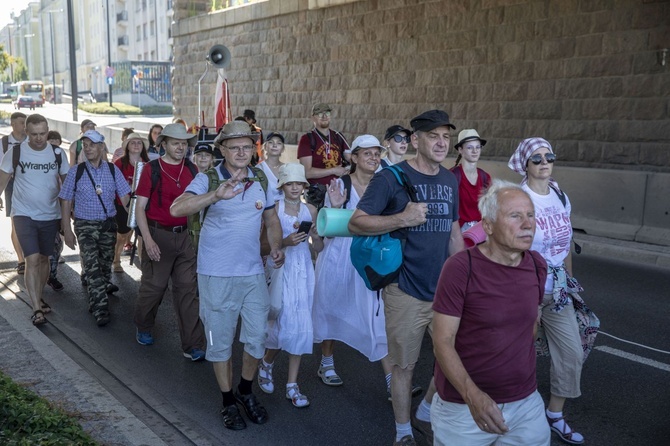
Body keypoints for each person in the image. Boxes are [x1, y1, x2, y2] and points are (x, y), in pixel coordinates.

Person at [348, 110, 464, 446]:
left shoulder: (449, 180)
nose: (441, 143)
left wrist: (467, 276)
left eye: (446, 137)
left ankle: (427, 407)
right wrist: (402, 218)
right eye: (433, 136)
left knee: (455, 355)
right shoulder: (390, 178)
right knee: (403, 366)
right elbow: (357, 222)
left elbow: (454, 231)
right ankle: (402, 431)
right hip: (405, 289)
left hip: (444, 290)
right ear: (415, 140)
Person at [170, 120, 285, 431]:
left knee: (257, 337)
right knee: (220, 343)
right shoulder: (208, 178)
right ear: (222, 149)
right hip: (216, 275)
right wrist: (215, 197)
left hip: (252, 274)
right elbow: (177, 208)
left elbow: (272, 217)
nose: (242, 152)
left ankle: (245, 391)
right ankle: (226, 401)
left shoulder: (260, 176)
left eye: (247, 146)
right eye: (235, 147)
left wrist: (276, 246)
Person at [431, 179, 551, 446]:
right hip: (464, 408)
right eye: (515, 216)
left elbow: (530, 326)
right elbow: (442, 342)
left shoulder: (536, 265)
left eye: (530, 215)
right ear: (488, 226)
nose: (528, 224)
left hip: (525, 404)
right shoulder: (461, 268)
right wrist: (473, 396)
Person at [508, 138, 586, 445]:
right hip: (525, 288)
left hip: (557, 290)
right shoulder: (518, 198)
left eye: (548, 156)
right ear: (525, 164)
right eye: (536, 158)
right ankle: (508, 409)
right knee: (515, 352)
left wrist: (568, 280)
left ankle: (554, 414)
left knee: (571, 353)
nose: (544, 162)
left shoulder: (559, 195)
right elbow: (510, 247)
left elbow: (566, 242)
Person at [312, 135, 397, 395]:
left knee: (377, 314)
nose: (373, 158)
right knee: (331, 306)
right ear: (354, 158)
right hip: (339, 255)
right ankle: (326, 362)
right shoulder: (340, 184)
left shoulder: (384, 184)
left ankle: (392, 379)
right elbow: (325, 231)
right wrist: (336, 207)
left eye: (376, 154)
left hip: (369, 257)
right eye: (367, 153)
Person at [132, 123, 206, 361]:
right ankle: (143, 325)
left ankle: (192, 344)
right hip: (158, 234)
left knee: (187, 290)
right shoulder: (152, 169)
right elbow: (140, 208)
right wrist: (148, 240)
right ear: (163, 144)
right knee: (154, 287)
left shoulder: (193, 170)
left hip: (185, 236)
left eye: (184, 143)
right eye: (176, 143)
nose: (181, 147)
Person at [258, 163, 323, 408]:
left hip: (303, 270)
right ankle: (267, 362)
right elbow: (263, 246)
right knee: (278, 321)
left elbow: (318, 249)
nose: (295, 188)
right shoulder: (273, 209)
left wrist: (316, 235)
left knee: (300, 325)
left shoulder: (312, 211)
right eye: (290, 183)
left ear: (304, 186)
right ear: (282, 186)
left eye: (299, 183)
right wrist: (284, 241)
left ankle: (292, 385)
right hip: (280, 270)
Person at [0, 114, 69, 326]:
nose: (39, 138)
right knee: (31, 259)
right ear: (27, 133)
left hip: (50, 215)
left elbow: (67, 189)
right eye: (34, 134)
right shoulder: (16, 152)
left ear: (47, 131)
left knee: (44, 259)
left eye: (43, 133)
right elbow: (1, 182)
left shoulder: (58, 154)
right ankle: (36, 308)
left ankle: (38, 295)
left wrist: (68, 221)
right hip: (24, 214)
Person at [59, 130, 132, 326]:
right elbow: (65, 200)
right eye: (85, 144)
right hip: (85, 225)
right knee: (92, 268)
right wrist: (67, 229)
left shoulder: (112, 170)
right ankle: (101, 308)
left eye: (92, 144)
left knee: (104, 267)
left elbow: (125, 198)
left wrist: (137, 219)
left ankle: (97, 295)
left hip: (108, 225)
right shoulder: (77, 171)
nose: (88, 148)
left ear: (101, 147)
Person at [112, 133, 150, 273]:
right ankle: (116, 260)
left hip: (143, 205)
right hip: (122, 205)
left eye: (139, 142)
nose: (136, 145)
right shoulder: (119, 163)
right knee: (122, 235)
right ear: (127, 146)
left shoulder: (148, 163)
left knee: (141, 236)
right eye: (132, 142)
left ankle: (143, 266)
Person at [297, 103, 351, 186]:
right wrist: (333, 170)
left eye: (327, 113)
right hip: (317, 192)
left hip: (339, 189)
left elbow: (351, 159)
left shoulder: (338, 136)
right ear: (313, 118)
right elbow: (307, 172)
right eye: (320, 114)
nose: (324, 116)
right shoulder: (307, 139)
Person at [1, 112, 27, 275]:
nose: (24, 126)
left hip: (30, 183)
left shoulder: (31, 141)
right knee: (15, 222)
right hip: (11, 184)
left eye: (25, 122)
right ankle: (21, 260)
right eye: (21, 122)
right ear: (12, 124)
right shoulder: (4, 143)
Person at [451, 129, 491, 231]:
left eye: (478, 147)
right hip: (458, 232)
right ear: (460, 149)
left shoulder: (485, 177)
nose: (475, 151)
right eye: (470, 147)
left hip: (480, 231)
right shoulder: (452, 176)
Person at [45, 130, 66, 292]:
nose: (53, 142)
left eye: (55, 140)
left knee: (57, 244)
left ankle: (52, 275)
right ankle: (44, 275)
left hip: (59, 209)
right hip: (41, 211)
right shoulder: (40, 161)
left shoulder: (61, 160)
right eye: (49, 140)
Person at [255, 131, 285, 203]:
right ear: (265, 147)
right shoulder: (259, 169)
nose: (275, 145)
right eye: (271, 142)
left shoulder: (287, 168)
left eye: (279, 143)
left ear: (283, 149)